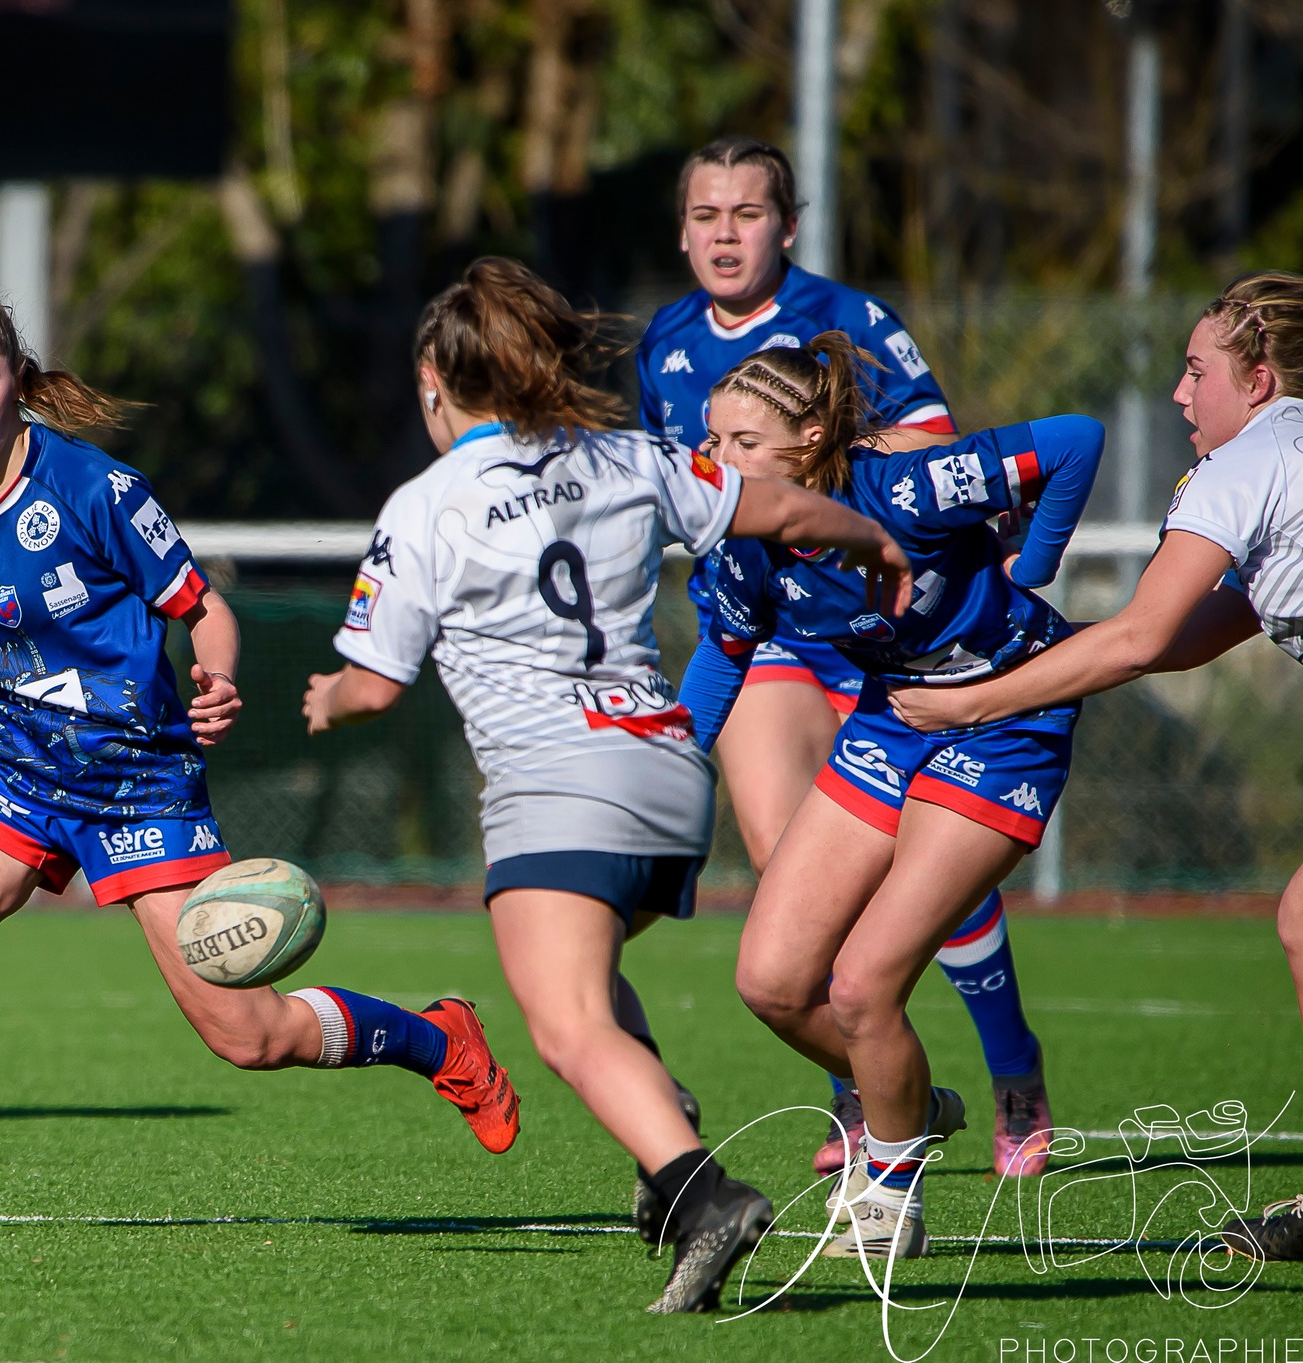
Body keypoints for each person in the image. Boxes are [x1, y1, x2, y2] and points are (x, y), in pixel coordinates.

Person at [0, 293, 522, 1233]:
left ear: (16, 382)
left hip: (141, 787)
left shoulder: (95, 490)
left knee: (248, 1035)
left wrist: (216, 678)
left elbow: (206, 611)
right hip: (13, 778)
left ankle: (434, 1037)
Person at [302, 258, 917, 1312]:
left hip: (555, 780)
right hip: (668, 770)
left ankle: (700, 1193)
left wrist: (325, 697)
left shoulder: (428, 504)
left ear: (430, 384)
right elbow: (771, 509)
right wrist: (869, 536)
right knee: (587, 976)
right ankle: (660, 1109)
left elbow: (373, 685)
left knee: (564, 1023)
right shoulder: (625, 456)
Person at [638, 135, 1053, 1178]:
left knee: (928, 866)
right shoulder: (664, 343)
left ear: (786, 224)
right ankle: (859, 1101)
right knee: (794, 870)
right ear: (680, 229)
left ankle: (1010, 1068)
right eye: (703, 216)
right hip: (771, 620)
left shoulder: (850, 321)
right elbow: (687, 491)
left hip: (886, 611)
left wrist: (851, 512)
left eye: (743, 213)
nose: (722, 234)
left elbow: (934, 445)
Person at [885, 271, 1303, 1261]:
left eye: (1195, 370)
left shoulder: (1245, 461)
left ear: (1257, 379)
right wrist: (1056, 650)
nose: (1175, 394)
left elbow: (1135, 637)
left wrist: (974, 697)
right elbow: (1204, 624)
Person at [678, 333, 1104, 1259]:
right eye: (711, 442)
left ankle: (891, 1194)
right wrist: (665, 764)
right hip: (892, 723)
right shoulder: (744, 538)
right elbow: (724, 654)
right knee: (773, 982)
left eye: (743, 443)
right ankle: (907, 1098)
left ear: (814, 434)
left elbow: (1075, 438)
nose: (719, 464)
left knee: (863, 985)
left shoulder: (905, 485)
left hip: (1005, 725)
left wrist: (1028, 573)